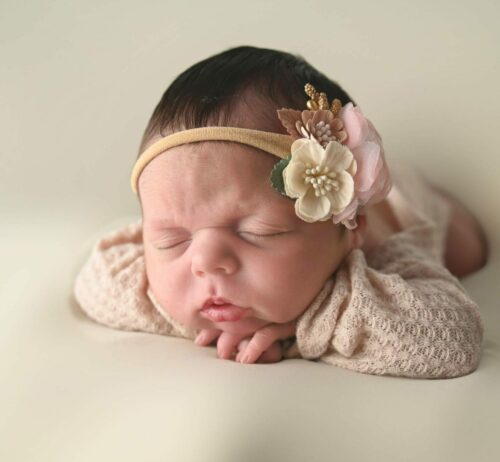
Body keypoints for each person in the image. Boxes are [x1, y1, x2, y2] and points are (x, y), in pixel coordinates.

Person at [73, 46, 488, 378]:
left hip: (411, 208)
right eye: (171, 238)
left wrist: (307, 325)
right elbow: (95, 280)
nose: (204, 261)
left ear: (349, 226)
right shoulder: (179, 266)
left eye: (259, 231)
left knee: (469, 251)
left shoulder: (387, 257)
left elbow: (452, 340)